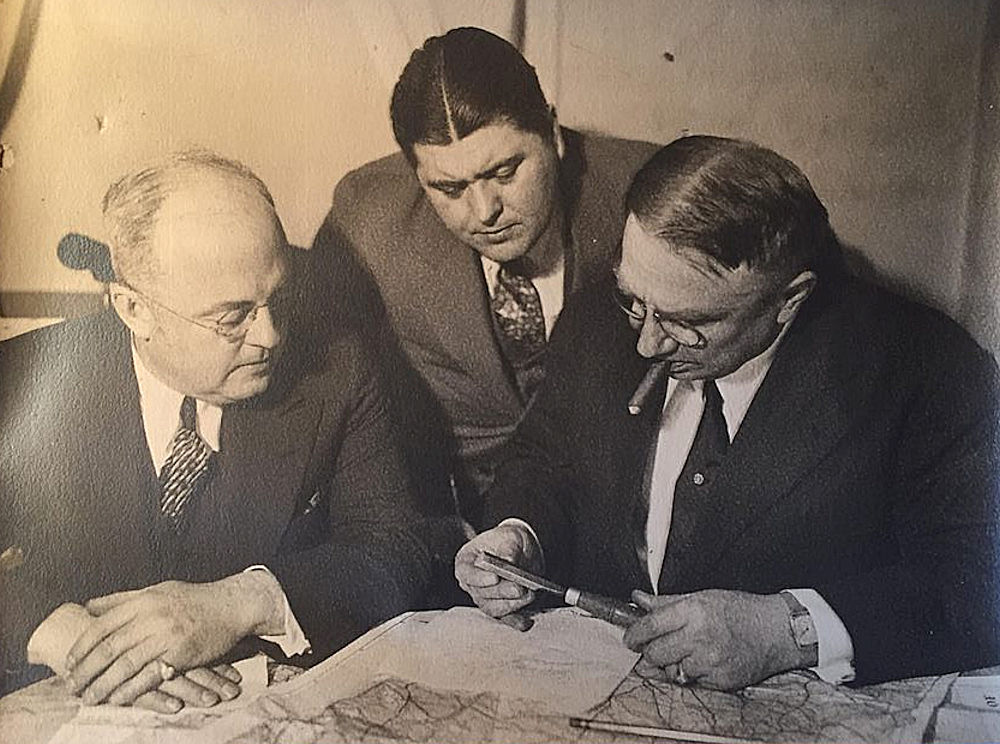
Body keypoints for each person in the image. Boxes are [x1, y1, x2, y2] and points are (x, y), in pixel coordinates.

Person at [455, 135, 1000, 690]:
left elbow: (979, 580)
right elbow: (543, 459)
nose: (646, 345)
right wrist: (520, 534)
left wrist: (787, 631)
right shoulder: (600, 314)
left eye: (688, 324)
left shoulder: (924, 370)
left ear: (790, 300)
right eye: (635, 303)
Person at [0, 151, 431, 709]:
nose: (271, 336)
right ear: (133, 308)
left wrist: (242, 601)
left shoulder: (337, 372)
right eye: (232, 318)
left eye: (276, 298)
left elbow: (397, 547)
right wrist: (68, 635)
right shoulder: (22, 383)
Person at [311, 27, 657, 527]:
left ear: (554, 135)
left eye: (504, 172)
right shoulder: (367, 220)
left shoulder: (645, 192)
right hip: (457, 521)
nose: (484, 211)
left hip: (620, 515)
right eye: (449, 188)